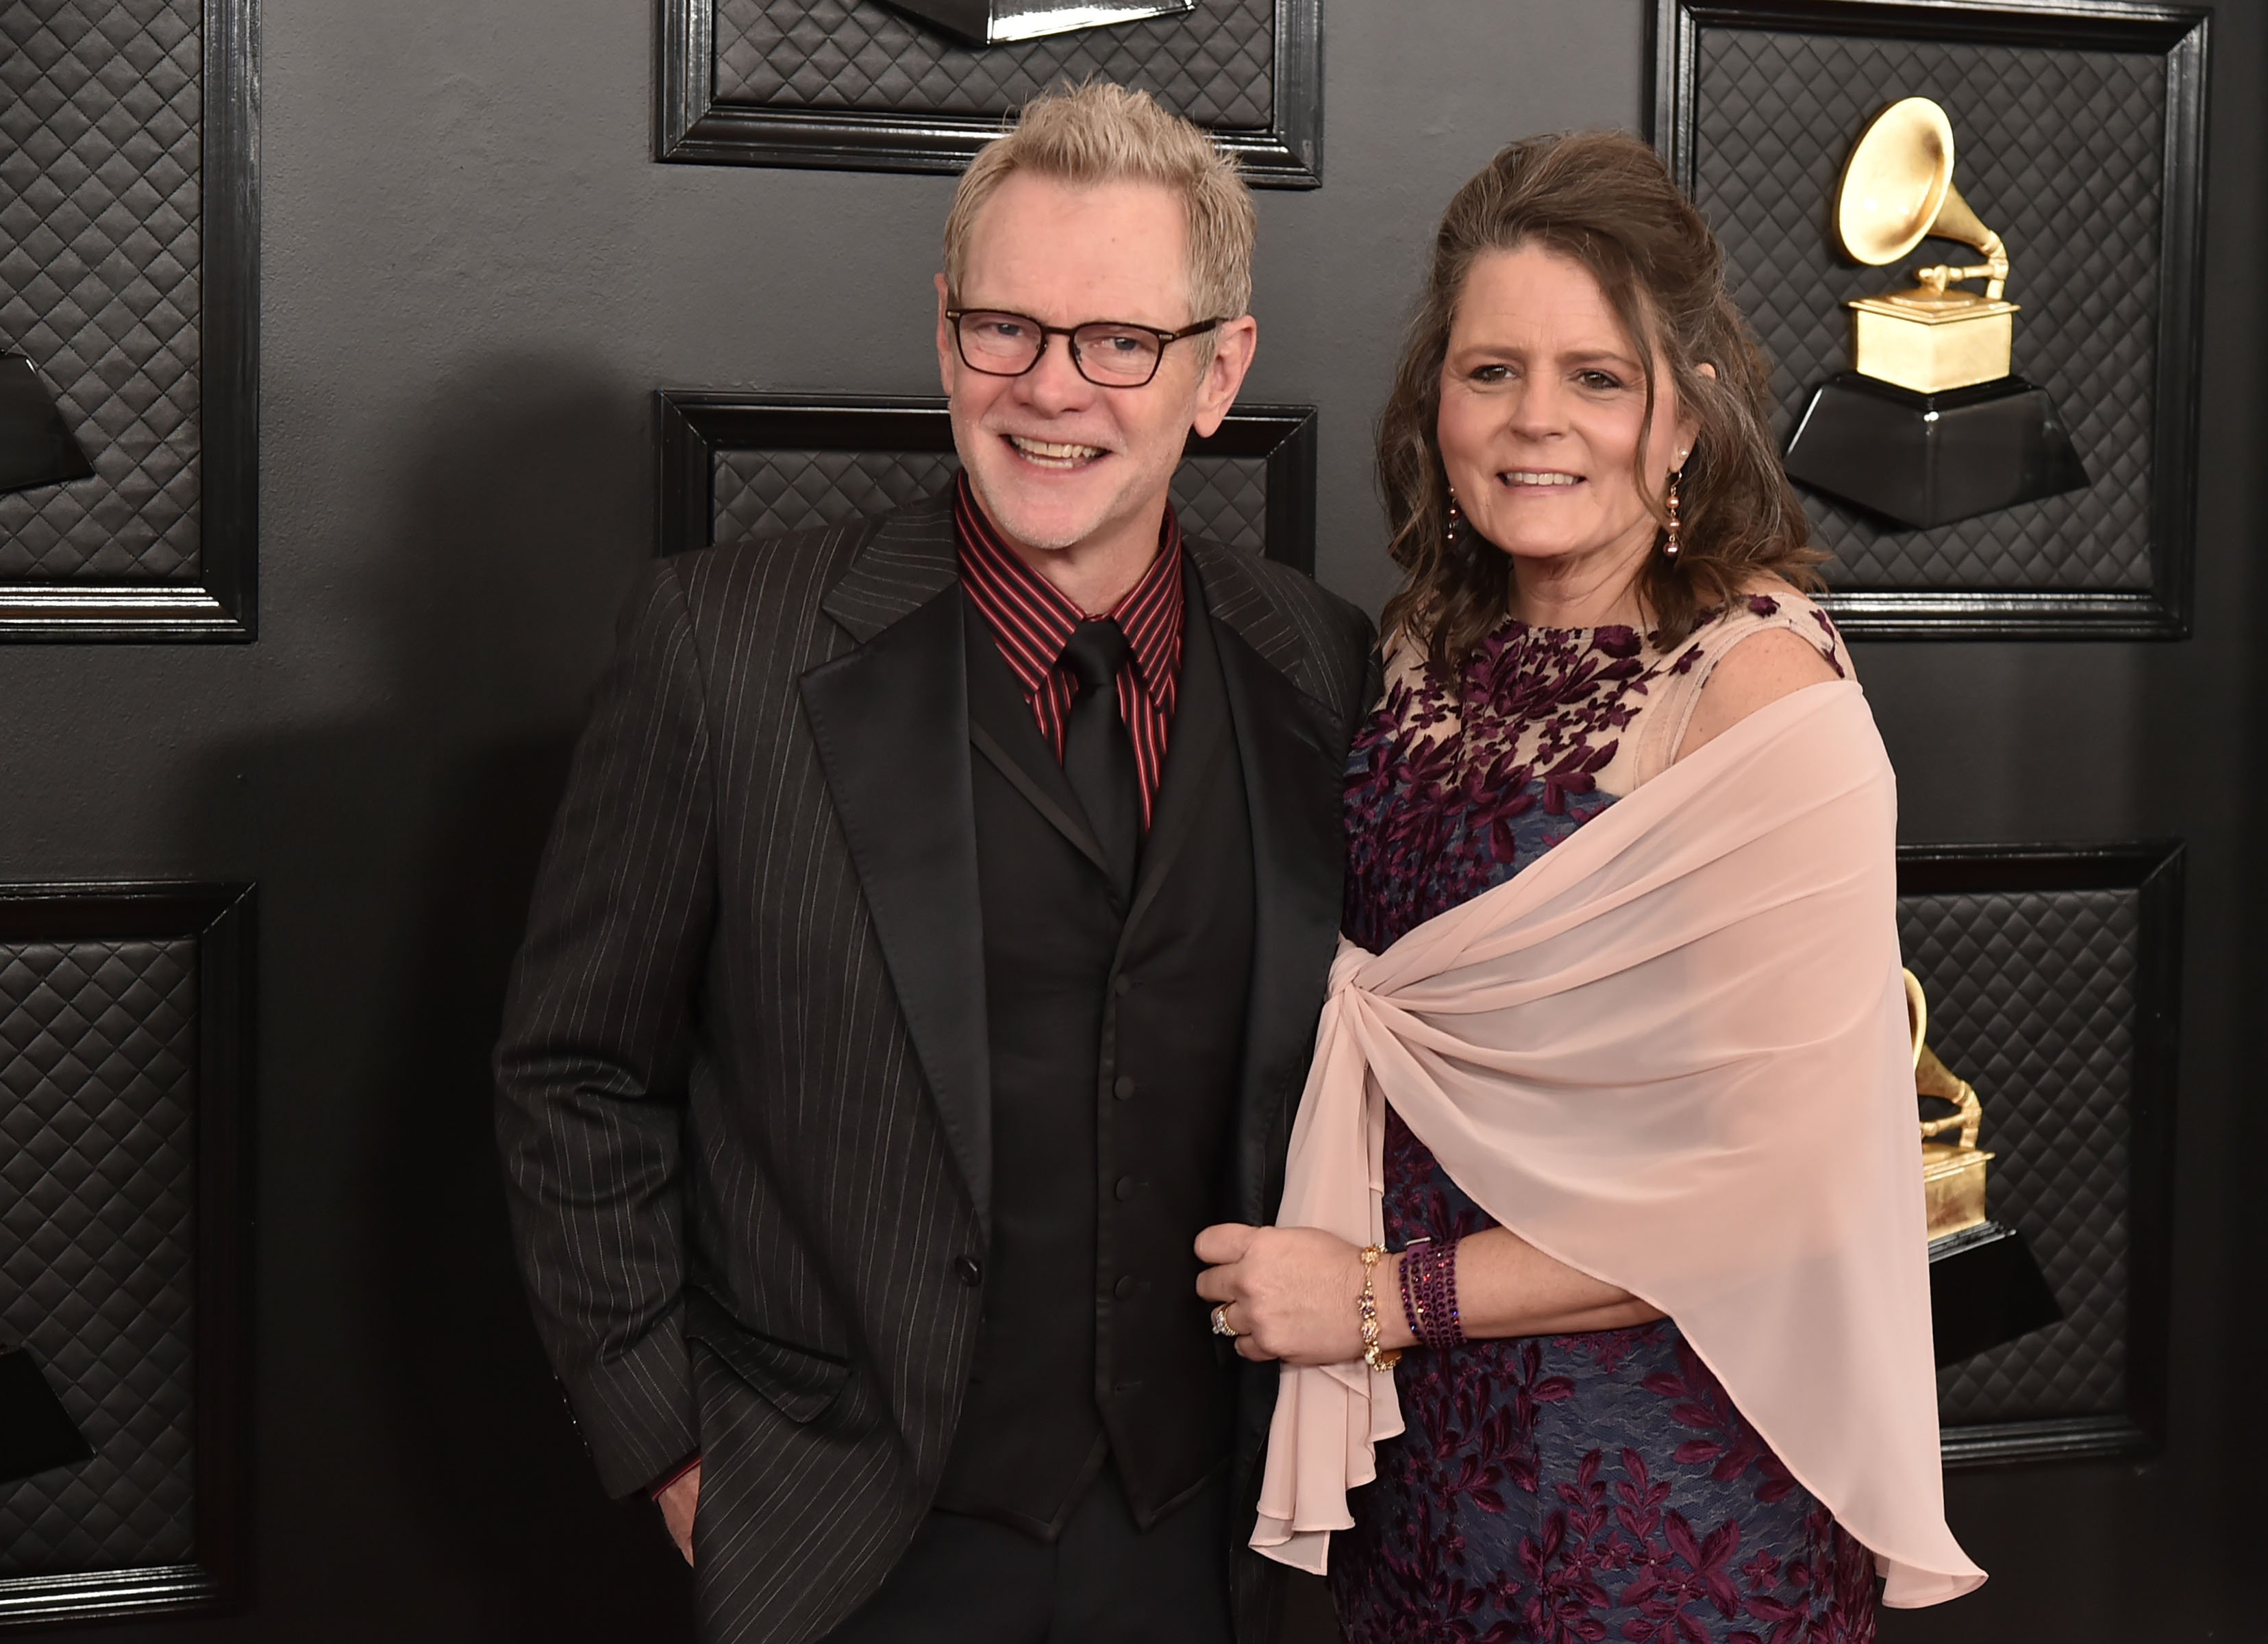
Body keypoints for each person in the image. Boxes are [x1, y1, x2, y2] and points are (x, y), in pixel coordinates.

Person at [495, 83, 1375, 1644]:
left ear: (1219, 372)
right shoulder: (721, 649)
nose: (1053, 389)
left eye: (1120, 340)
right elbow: (574, 1072)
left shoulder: (1318, 660)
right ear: (944, 329)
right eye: (1004, 329)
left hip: (1221, 1549)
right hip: (847, 1547)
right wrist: (678, 1457)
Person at [1195, 130, 1986, 1640]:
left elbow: (1764, 1195)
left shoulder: (1760, 694)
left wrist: (1375, 1301)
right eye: (1490, 371)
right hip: (1425, 1473)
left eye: (1597, 378)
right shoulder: (1424, 644)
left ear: (1684, 418)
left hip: (1658, 1492)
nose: (1535, 421)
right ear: (1436, 403)